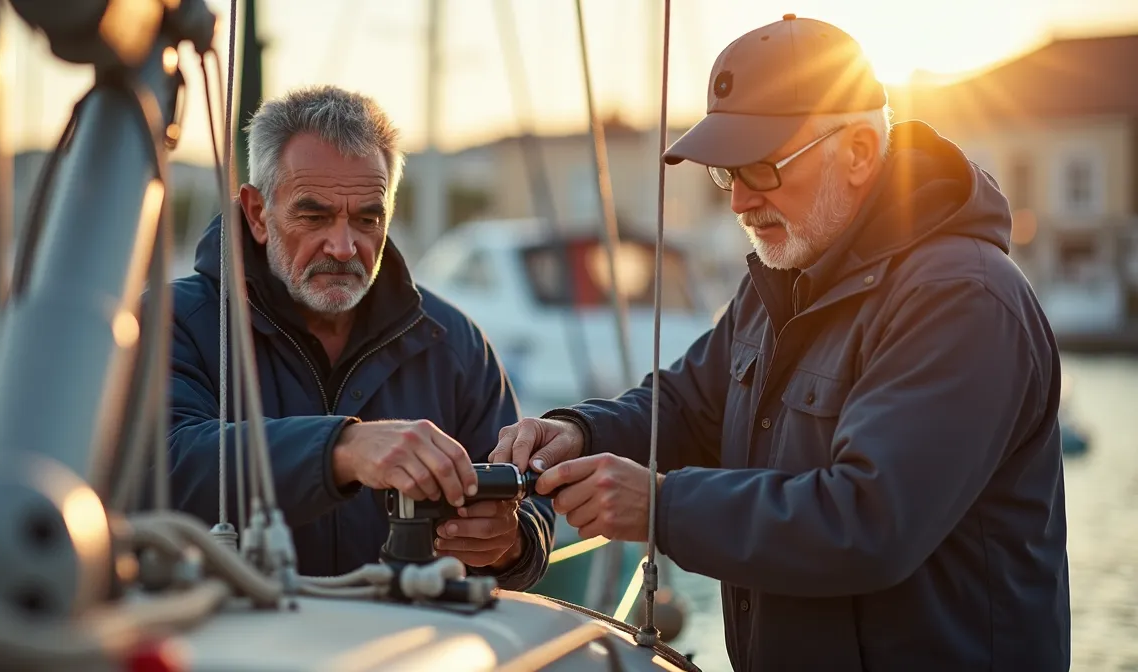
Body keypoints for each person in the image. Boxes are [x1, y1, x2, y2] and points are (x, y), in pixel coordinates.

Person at [492, 14, 1069, 671]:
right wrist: (581, 433)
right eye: (725, 172)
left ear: (856, 152)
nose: (737, 201)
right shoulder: (781, 280)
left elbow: (868, 523)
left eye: (761, 168)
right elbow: (687, 406)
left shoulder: (964, 300)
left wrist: (659, 507)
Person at [167, 85, 553, 589]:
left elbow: (529, 517)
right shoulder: (172, 321)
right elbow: (164, 463)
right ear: (259, 214)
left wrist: (511, 542)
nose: (345, 246)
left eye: (368, 218)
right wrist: (342, 449)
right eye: (314, 215)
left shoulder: (454, 344)